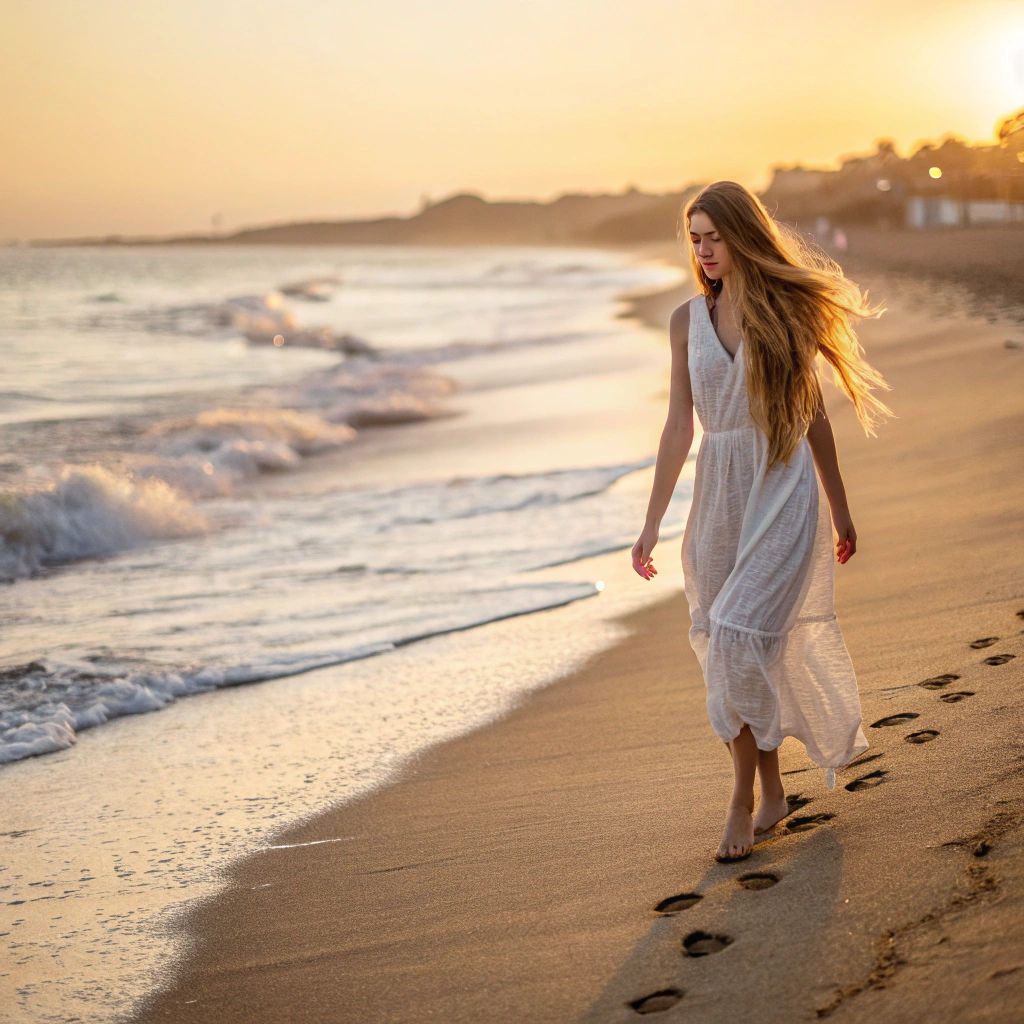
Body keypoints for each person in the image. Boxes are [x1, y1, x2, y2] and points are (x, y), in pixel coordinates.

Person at [631, 181, 891, 863]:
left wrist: (839, 505)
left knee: (741, 637)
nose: (703, 250)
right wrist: (650, 523)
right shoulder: (685, 321)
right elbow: (677, 425)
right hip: (717, 499)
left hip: (780, 489)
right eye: (694, 238)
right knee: (724, 648)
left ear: (742, 234)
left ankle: (740, 801)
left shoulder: (784, 311)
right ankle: (772, 791)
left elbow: (814, 416)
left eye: (714, 236)